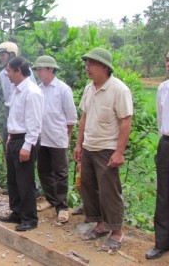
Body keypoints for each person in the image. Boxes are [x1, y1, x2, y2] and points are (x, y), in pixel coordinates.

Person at [73, 47, 133, 252]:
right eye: (86, 64)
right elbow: (84, 117)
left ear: (105, 67)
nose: (87, 68)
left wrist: (119, 152)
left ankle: (117, 231)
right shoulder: (90, 88)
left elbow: (126, 121)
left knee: (109, 192)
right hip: (89, 147)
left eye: (92, 64)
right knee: (89, 188)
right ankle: (100, 224)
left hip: (107, 149)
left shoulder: (119, 89)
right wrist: (79, 144)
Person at [0, 57, 44, 231]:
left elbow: (34, 122)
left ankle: (30, 218)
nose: (7, 74)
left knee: (25, 181)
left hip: (26, 140)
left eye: (9, 70)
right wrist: (10, 138)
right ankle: (16, 212)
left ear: (18, 71)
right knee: (14, 180)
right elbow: (16, 118)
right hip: (15, 138)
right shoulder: (17, 90)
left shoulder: (31, 92)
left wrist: (28, 145)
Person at [32, 56, 77, 223]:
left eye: (41, 69)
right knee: (43, 171)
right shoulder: (38, 89)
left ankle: (62, 206)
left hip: (58, 137)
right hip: (41, 137)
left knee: (60, 173)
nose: (38, 72)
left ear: (50, 70)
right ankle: (51, 200)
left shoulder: (63, 89)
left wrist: (66, 137)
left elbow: (71, 118)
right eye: (37, 69)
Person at [146, 51, 169, 260]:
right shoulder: (163, 88)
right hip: (167, 144)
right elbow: (162, 121)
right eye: (168, 60)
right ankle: (161, 243)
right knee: (163, 195)